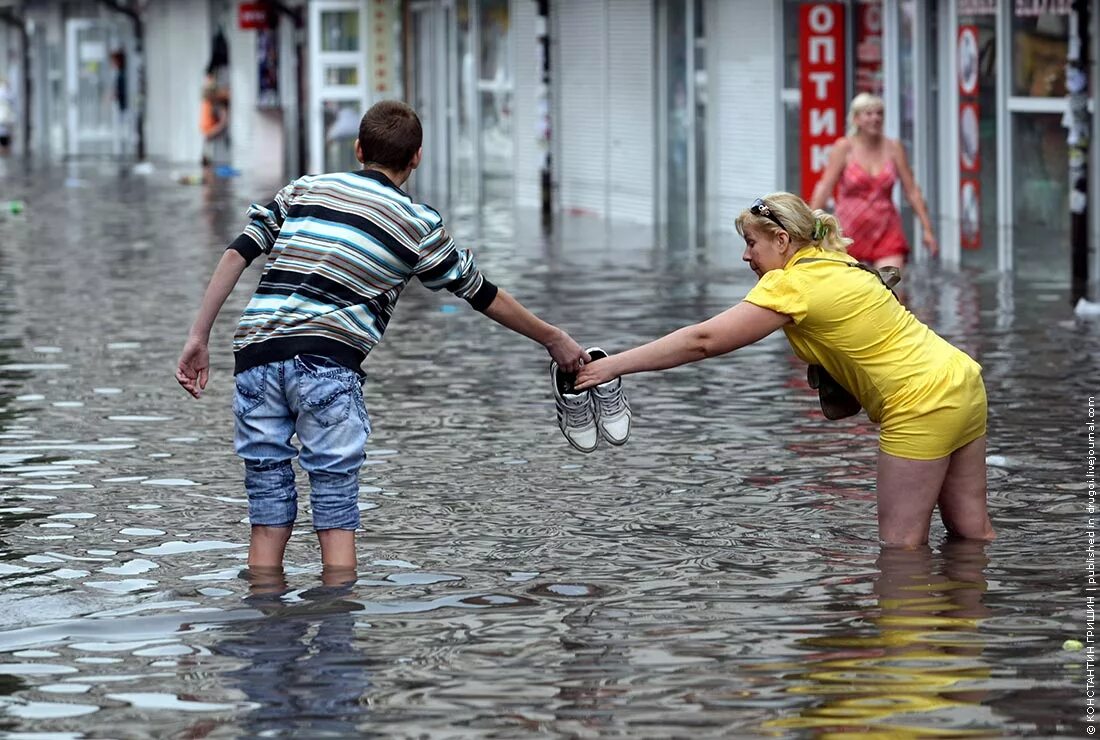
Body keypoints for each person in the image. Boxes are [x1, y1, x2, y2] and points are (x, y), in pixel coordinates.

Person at [176, 100, 588, 570]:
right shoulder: (417, 225)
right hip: (327, 365)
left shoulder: (307, 189)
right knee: (334, 510)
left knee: (267, 510)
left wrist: (198, 337)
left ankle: (266, 622)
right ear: (416, 158)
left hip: (255, 358)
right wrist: (552, 338)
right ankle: (337, 627)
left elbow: (237, 253)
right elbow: (482, 294)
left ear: (357, 149)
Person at [574, 193, 993, 547]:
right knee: (972, 535)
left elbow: (703, 341)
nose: (745, 255)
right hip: (963, 381)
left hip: (920, 405)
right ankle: (969, 634)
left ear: (781, 239)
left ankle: (908, 642)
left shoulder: (790, 284)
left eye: (751, 243)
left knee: (900, 550)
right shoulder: (842, 264)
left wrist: (611, 367)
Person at [809, 93, 937, 271]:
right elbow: (825, 187)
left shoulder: (894, 148)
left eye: (879, 113)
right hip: (849, 231)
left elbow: (912, 191)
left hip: (886, 230)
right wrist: (809, 225)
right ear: (856, 119)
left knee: (891, 288)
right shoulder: (844, 148)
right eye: (868, 114)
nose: (875, 118)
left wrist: (927, 229)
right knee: (851, 293)